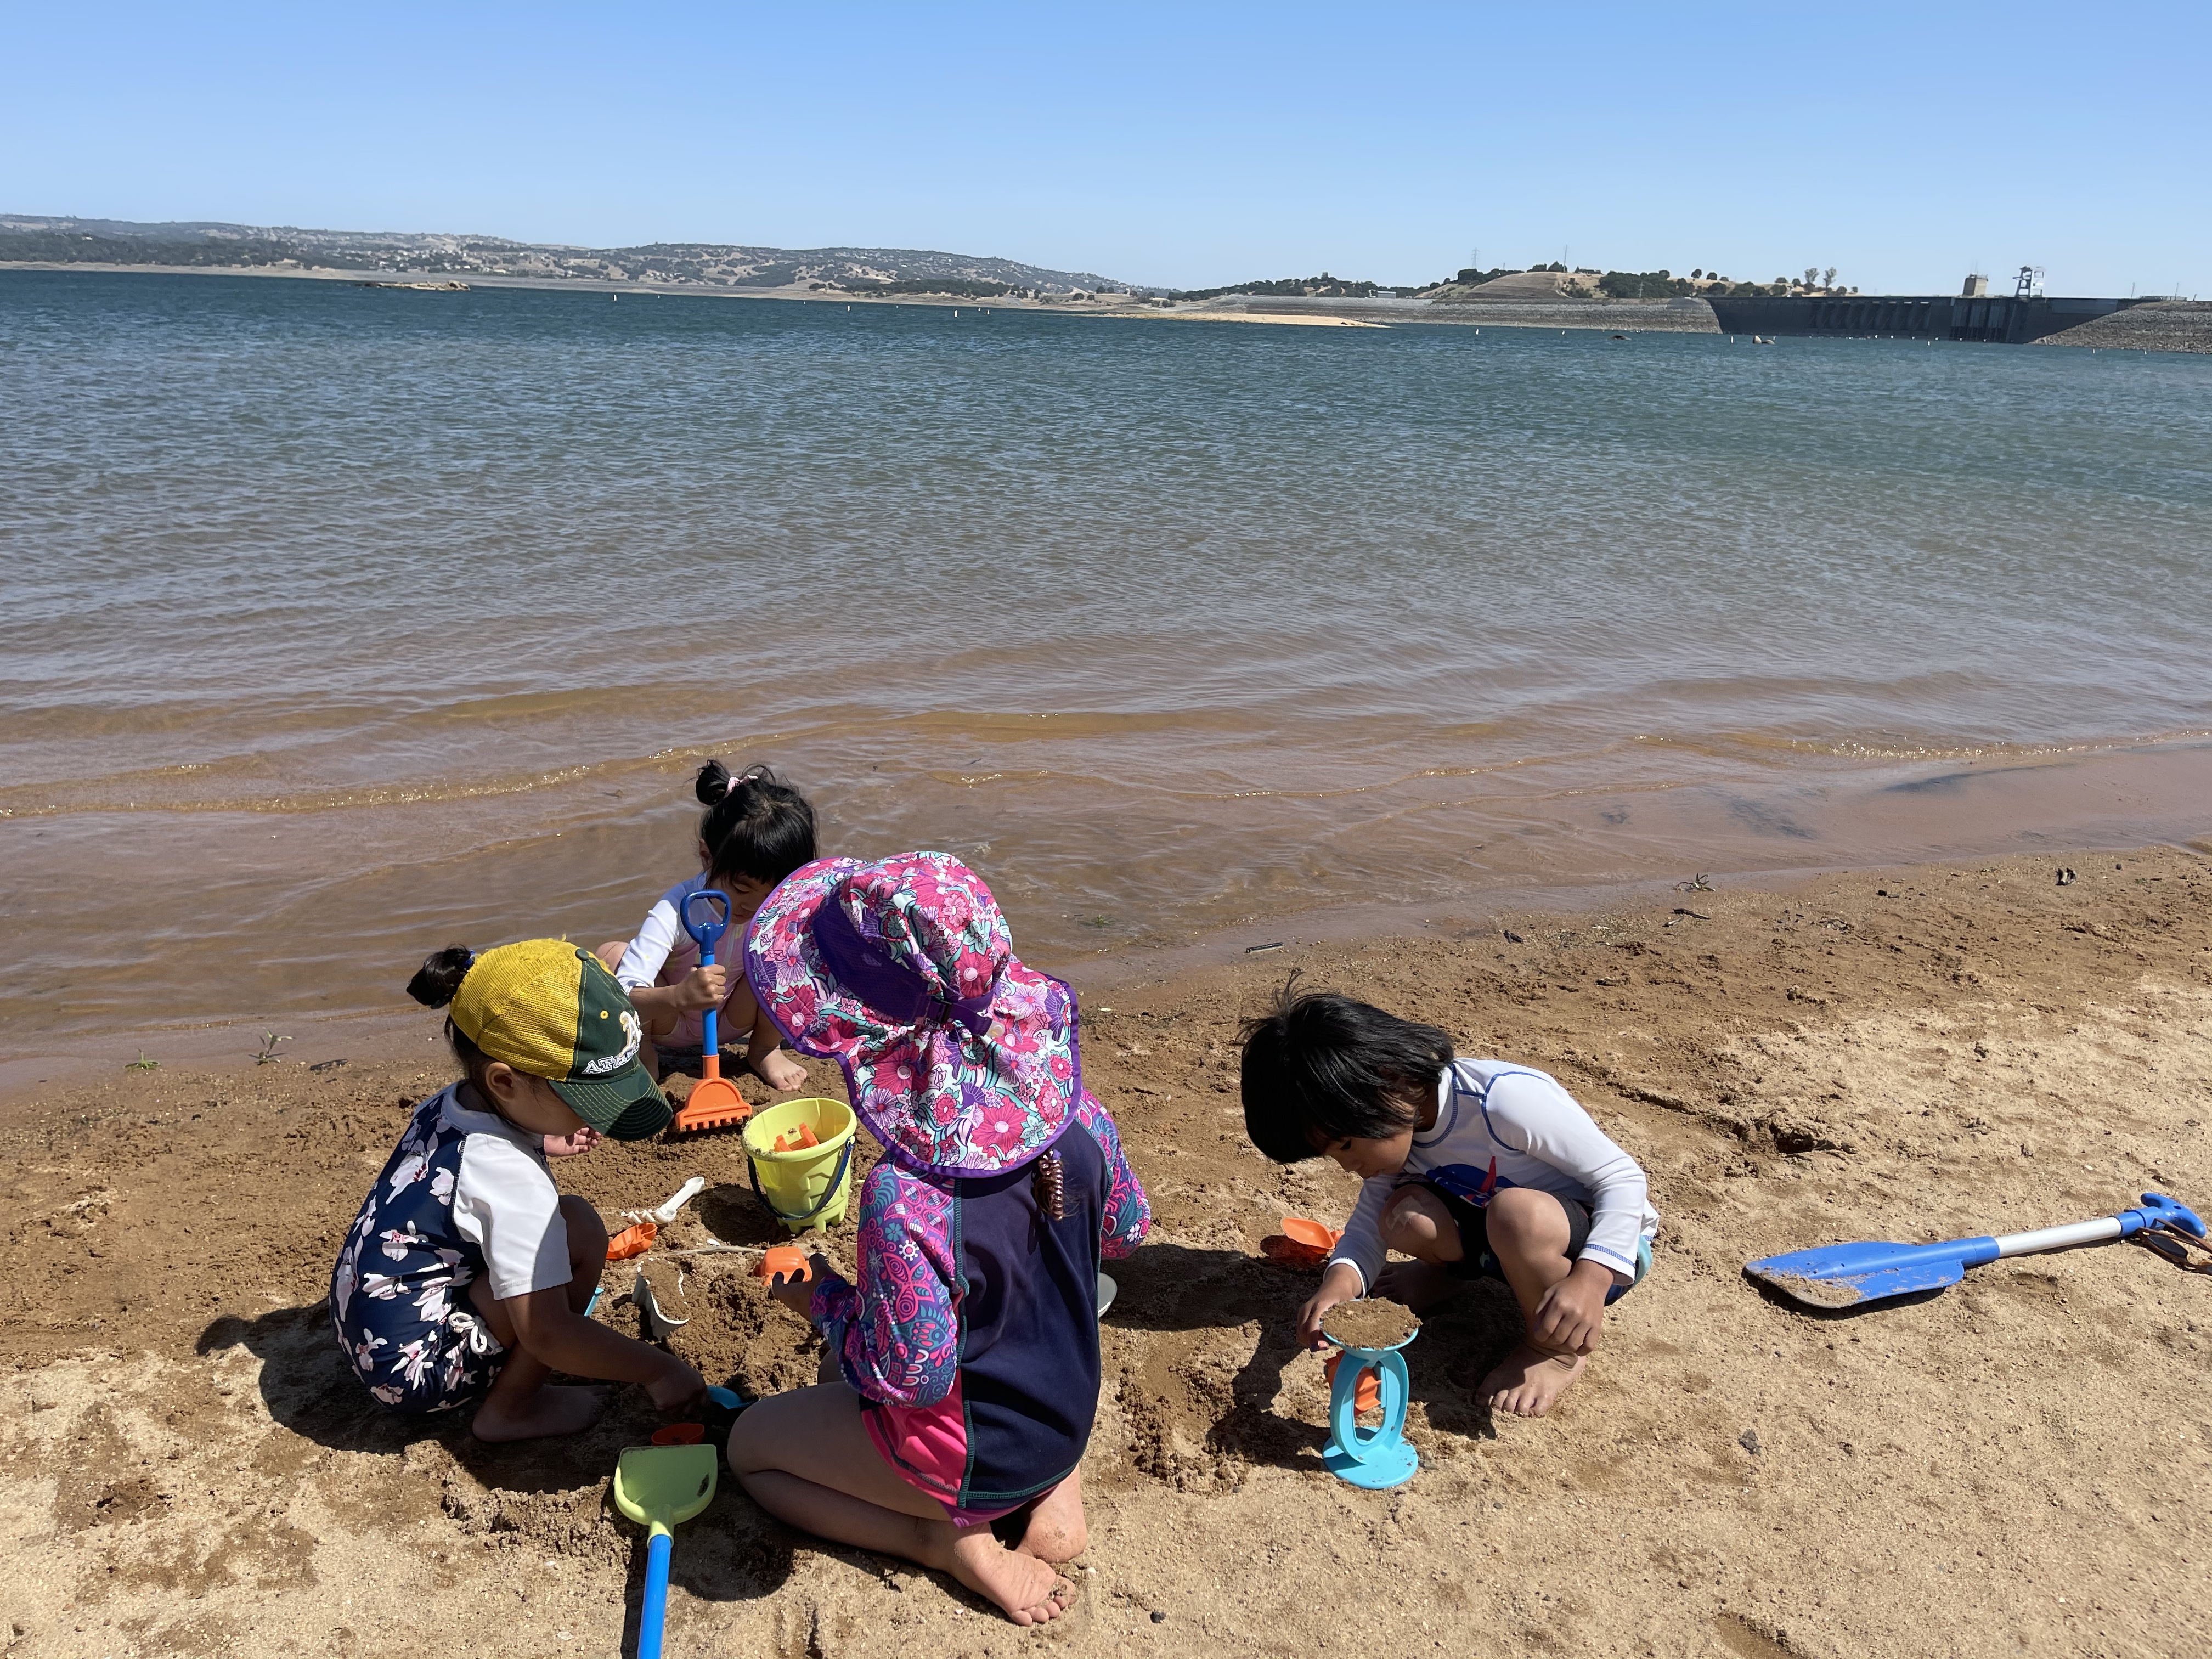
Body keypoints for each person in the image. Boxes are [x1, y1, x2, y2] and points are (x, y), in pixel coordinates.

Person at [725, 852, 1149, 1626]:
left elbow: (912, 1376)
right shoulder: (1081, 1117)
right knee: (1039, 1306)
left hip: (980, 1455)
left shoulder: (905, 1199)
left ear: (851, 1023)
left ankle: (947, 1544)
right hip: (1067, 1409)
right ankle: (1057, 1498)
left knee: (751, 1448)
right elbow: (1124, 1232)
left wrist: (821, 1300)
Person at [330, 940, 706, 1441]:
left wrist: (542, 1135)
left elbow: (466, 1181)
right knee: (578, 1230)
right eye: (584, 1100)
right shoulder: (509, 1175)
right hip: (420, 1371)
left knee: (564, 1227)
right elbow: (548, 1334)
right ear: (504, 1082)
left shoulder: (450, 1105)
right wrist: (660, 1370)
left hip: (372, 1327)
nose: (597, 1118)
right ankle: (512, 1409)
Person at [1240, 984, 1656, 1418]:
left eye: (1345, 1146)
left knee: (1518, 1214)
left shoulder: (1502, 1101)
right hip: (1502, 1237)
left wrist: (1590, 1279)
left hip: (1600, 1250)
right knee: (1404, 1217)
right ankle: (1454, 1278)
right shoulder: (1400, 1128)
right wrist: (1336, 1290)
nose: (1349, 1167)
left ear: (1390, 1082)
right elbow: (1364, 1229)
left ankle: (1553, 1351)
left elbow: (1621, 1179)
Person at [596, 761, 815, 1090]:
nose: (754, 906)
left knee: (786, 957)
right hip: (667, 1022)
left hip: (731, 1019)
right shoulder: (677, 908)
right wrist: (678, 996)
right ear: (707, 856)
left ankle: (764, 1050)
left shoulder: (776, 909)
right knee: (612, 956)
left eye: (772, 893)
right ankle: (643, 1056)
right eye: (742, 889)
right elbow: (625, 993)